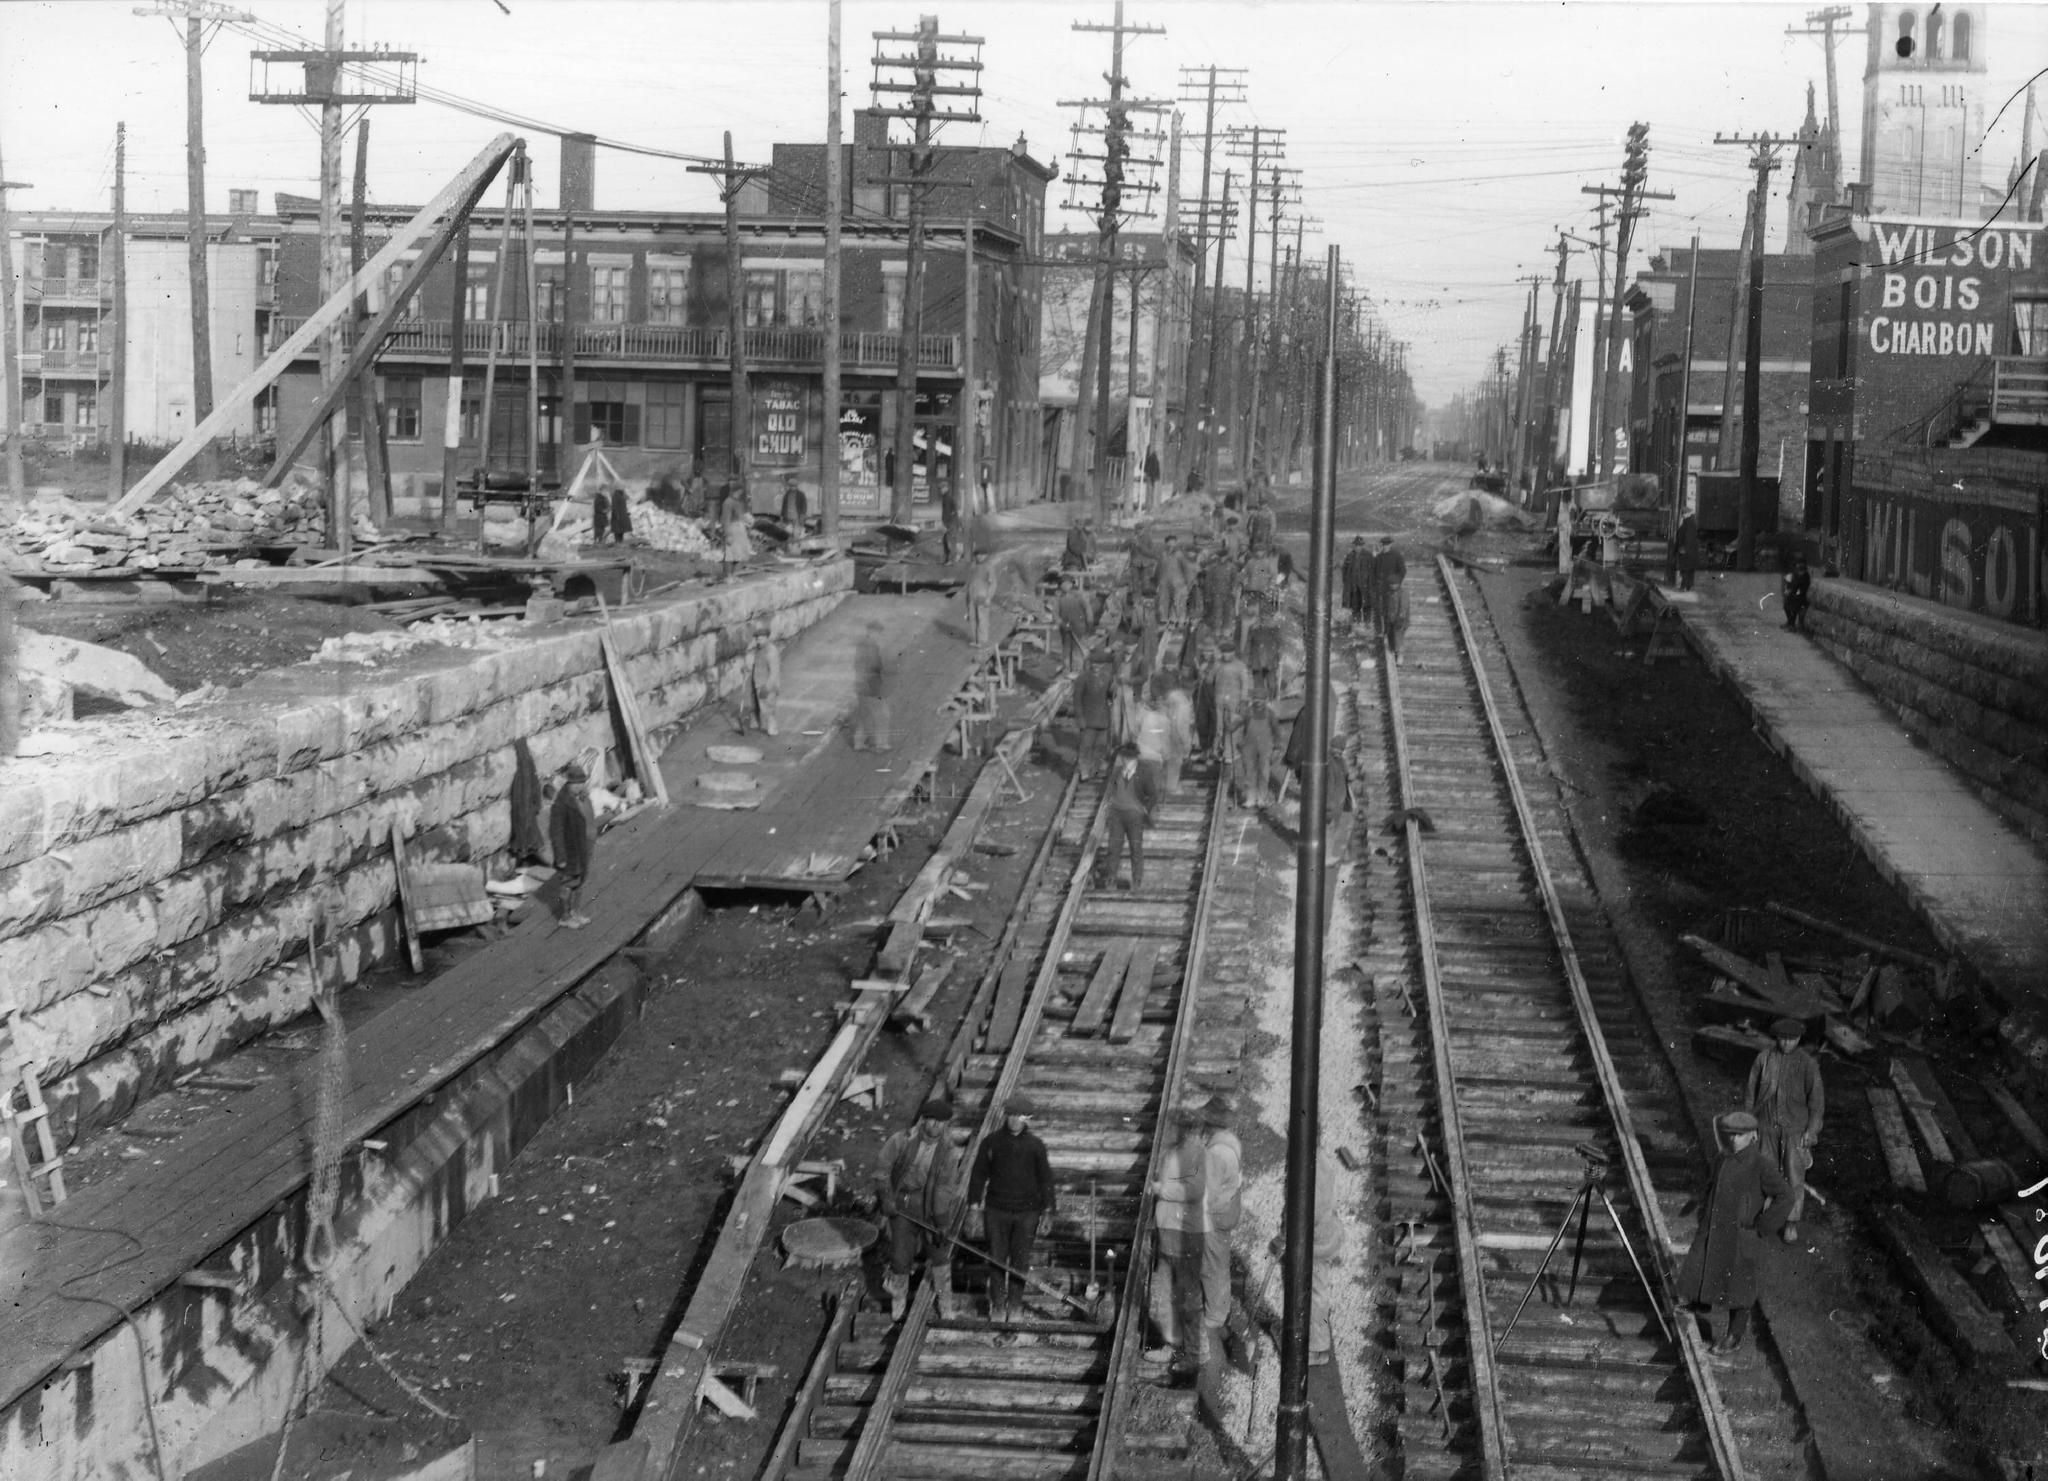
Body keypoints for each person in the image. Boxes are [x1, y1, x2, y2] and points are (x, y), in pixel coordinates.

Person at [1677, 1110, 1791, 1363]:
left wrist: (1764, 1225)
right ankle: (1699, 1302)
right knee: (1700, 1263)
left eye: (1739, 1135)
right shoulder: (1723, 1159)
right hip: (1715, 1226)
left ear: (1752, 1136)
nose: (1733, 1140)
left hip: (1742, 1235)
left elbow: (1786, 1196)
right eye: (1730, 1135)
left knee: (1739, 1288)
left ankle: (1733, 1336)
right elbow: (1711, 1186)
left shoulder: (1761, 1165)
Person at [967, 1094, 1055, 1325]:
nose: (1015, 1120)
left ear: (1027, 1119)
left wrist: (1048, 1211)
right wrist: (974, 1208)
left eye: (1020, 1116)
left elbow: (1046, 1179)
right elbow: (978, 1174)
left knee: (1020, 1260)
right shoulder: (991, 1142)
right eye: (1011, 1115)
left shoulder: (1036, 1146)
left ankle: (1015, 1305)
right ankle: (997, 1305)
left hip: (1027, 1213)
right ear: (1006, 1116)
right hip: (997, 1211)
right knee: (996, 1258)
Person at [878, 1098, 967, 1321]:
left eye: (941, 1123)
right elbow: (881, 1170)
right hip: (902, 1206)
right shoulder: (901, 1141)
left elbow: (945, 1189)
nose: (936, 1126)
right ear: (924, 1120)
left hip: (929, 1207)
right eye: (932, 1121)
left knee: (939, 1255)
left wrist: (941, 1221)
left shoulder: (948, 1152)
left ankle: (945, 1304)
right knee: (900, 1257)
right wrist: (887, 1198)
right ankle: (898, 1302)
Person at [1745, 1017, 1823, 1244]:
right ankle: (1763, 1217)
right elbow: (1750, 1093)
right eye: (1782, 1039)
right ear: (1776, 1038)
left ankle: (1791, 1223)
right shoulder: (1764, 1058)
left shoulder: (1808, 1064)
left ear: (1799, 1039)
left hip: (1795, 1131)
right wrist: (1750, 1125)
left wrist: (1811, 1130)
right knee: (1765, 1173)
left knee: (1794, 1177)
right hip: (1767, 1126)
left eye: (1792, 1040)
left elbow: (1817, 1103)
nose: (1786, 1044)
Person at [1145, 1107, 1210, 1379]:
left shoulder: (1198, 1154)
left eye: (1180, 1127)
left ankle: (1197, 1352)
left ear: (1190, 1129)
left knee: (1188, 1296)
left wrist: (1163, 1190)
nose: (1175, 1131)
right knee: (1163, 1294)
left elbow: (1195, 1190)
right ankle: (1172, 1344)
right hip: (1167, 1230)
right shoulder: (1171, 1152)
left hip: (1187, 1233)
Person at [1197, 1097, 1243, 1367]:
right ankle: (1219, 1307)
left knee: (1212, 1263)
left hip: (1217, 1212)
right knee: (1219, 1259)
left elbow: (1209, 1194)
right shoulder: (1229, 1139)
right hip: (1230, 1204)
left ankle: (1215, 1316)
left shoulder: (1217, 1152)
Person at [1097, 742, 1158, 892]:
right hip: (1117, 815)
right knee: (1113, 848)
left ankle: (1137, 880)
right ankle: (1110, 879)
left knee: (1136, 848)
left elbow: (1153, 795)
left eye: (1129, 758)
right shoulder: (1117, 772)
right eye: (1124, 757)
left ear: (1135, 758)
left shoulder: (1144, 772)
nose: (1126, 761)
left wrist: (1145, 809)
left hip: (1135, 817)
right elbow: (1109, 791)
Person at [548, 761, 597, 930]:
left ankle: (576, 912)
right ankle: (565, 916)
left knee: (581, 880)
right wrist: (560, 856)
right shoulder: (561, 804)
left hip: (584, 846)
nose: (581, 786)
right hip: (570, 849)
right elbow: (556, 832)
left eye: (583, 782)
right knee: (569, 881)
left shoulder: (582, 796)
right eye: (578, 783)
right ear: (570, 783)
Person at [1074, 647, 1115, 779]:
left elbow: (1111, 696)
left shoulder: (1107, 678)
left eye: (1100, 664)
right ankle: (1084, 770)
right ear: (1090, 664)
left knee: (1101, 746)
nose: (1097, 666)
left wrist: (1114, 689)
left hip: (1103, 719)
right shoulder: (1082, 678)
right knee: (1086, 746)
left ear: (1104, 665)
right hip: (1088, 719)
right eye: (1094, 663)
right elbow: (1077, 700)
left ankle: (1095, 769)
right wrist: (1080, 718)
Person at [853, 621, 892, 753]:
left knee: (865, 714)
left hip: (861, 686)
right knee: (882, 715)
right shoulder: (870, 647)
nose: (879, 635)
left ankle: (858, 742)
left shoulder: (863, 645)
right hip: (871, 686)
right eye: (878, 632)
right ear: (871, 632)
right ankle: (880, 744)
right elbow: (874, 666)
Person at [1373, 534, 1410, 665]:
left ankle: (1398, 652)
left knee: (1396, 621)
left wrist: (1396, 582)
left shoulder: (1396, 556)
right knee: (1384, 616)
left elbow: (1403, 571)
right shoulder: (1378, 558)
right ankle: (1385, 638)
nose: (1385, 547)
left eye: (1387, 544)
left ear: (1390, 545)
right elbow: (1374, 572)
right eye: (1383, 545)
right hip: (1382, 591)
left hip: (1394, 588)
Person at [1236, 697, 1279, 809]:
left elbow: (1276, 731)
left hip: (1265, 747)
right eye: (1256, 699)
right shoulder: (1248, 712)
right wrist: (1230, 726)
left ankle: (1261, 799)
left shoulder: (1270, 713)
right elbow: (1238, 725)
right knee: (1250, 773)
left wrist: (1277, 748)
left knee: (1264, 773)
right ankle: (1250, 798)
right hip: (1249, 747)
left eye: (1261, 699)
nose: (1258, 702)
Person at [1212, 644, 1251, 767]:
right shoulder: (1219, 664)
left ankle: (1227, 753)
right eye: (1223, 652)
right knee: (1220, 727)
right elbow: (1210, 679)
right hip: (1221, 700)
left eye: (1228, 653)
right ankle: (1219, 751)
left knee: (1230, 727)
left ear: (1233, 652)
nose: (1225, 655)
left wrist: (1243, 701)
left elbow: (1245, 685)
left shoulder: (1239, 666)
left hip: (1232, 701)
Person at [746, 619, 781, 737]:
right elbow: (755, 663)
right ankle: (756, 723)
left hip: (766, 684)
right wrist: (747, 667)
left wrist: (768, 687)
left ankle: (773, 729)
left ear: (767, 638)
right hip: (756, 682)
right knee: (755, 705)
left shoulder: (771, 651)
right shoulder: (758, 649)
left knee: (768, 708)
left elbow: (774, 672)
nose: (758, 641)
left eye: (760, 638)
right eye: (757, 639)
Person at [1161, 678, 1196, 795]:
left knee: (1164, 761)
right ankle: (1171, 788)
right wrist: (1186, 744)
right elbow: (1180, 726)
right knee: (1175, 763)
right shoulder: (1183, 704)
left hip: (1163, 733)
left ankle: (1162, 784)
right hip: (1175, 736)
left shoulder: (1170, 697)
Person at [1057, 578, 1094, 673]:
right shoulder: (1059, 598)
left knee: (1078, 649)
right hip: (1065, 629)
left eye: (1066, 583)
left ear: (1071, 584)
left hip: (1079, 627)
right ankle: (1066, 670)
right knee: (1066, 649)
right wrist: (1061, 623)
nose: (1063, 586)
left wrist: (1089, 623)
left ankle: (1077, 671)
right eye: (1062, 584)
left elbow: (1088, 610)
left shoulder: (1080, 596)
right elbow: (1055, 613)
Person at [1245, 607, 1283, 701]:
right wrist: (1248, 660)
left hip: (1271, 662)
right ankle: (1260, 704)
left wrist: (1279, 658)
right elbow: (1249, 645)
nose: (1264, 618)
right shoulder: (1254, 629)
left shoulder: (1275, 629)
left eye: (1267, 616)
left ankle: (1272, 701)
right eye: (1262, 616)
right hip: (1257, 662)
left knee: (1272, 685)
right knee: (1258, 687)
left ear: (1270, 617)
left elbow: (1280, 645)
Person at [963, 552, 998, 649]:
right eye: (977, 555)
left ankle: (982, 641)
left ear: (986, 555)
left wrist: (988, 597)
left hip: (982, 595)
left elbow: (993, 584)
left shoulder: (988, 567)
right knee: (973, 617)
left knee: (982, 618)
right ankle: (976, 640)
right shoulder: (973, 567)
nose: (979, 557)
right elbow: (969, 582)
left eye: (981, 554)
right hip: (971, 595)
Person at [1157, 534, 1191, 625]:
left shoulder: (1179, 554)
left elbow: (1186, 569)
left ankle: (1175, 620)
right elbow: (1158, 568)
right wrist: (1157, 580)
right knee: (1164, 600)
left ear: (1176, 543)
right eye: (1169, 543)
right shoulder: (1163, 554)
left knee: (1177, 601)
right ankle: (1164, 619)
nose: (1171, 545)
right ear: (1166, 543)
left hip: (1178, 582)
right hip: (1164, 581)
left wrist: (1187, 582)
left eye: (1173, 543)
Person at [1342, 534, 1373, 629]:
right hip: (1353, 586)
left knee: (1367, 605)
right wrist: (1347, 583)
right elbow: (1344, 570)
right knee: (1355, 606)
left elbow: (1372, 570)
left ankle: (1367, 624)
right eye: (1356, 545)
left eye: (1359, 545)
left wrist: (1371, 583)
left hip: (1365, 585)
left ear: (1362, 545)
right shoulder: (1350, 556)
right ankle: (1357, 624)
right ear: (1354, 545)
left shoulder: (1368, 555)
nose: (1357, 547)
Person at [1782, 553, 1812, 631]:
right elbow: (1792, 584)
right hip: (1795, 595)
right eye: (1798, 563)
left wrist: (1792, 591)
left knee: (1794, 605)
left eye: (1800, 563)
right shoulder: (1795, 573)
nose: (1799, 565)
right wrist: (1789, 590)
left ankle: (1792, 625)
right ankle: (1790, 622)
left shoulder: (1805, 575)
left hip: (1801, 596)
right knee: (1786, 604)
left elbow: (1801, 587)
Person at [1673, 510, 1701, 592]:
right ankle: (1688, 586)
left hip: (1687, 551)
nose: (1683, 515)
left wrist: (1684, 548)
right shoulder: (1690, 522)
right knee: (1689, 570)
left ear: (1688, 514)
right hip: (1690, 551)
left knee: (1685, 569)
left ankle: (1684, 586)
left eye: (1684, 514)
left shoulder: (1689, 523)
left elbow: (1689, 538)